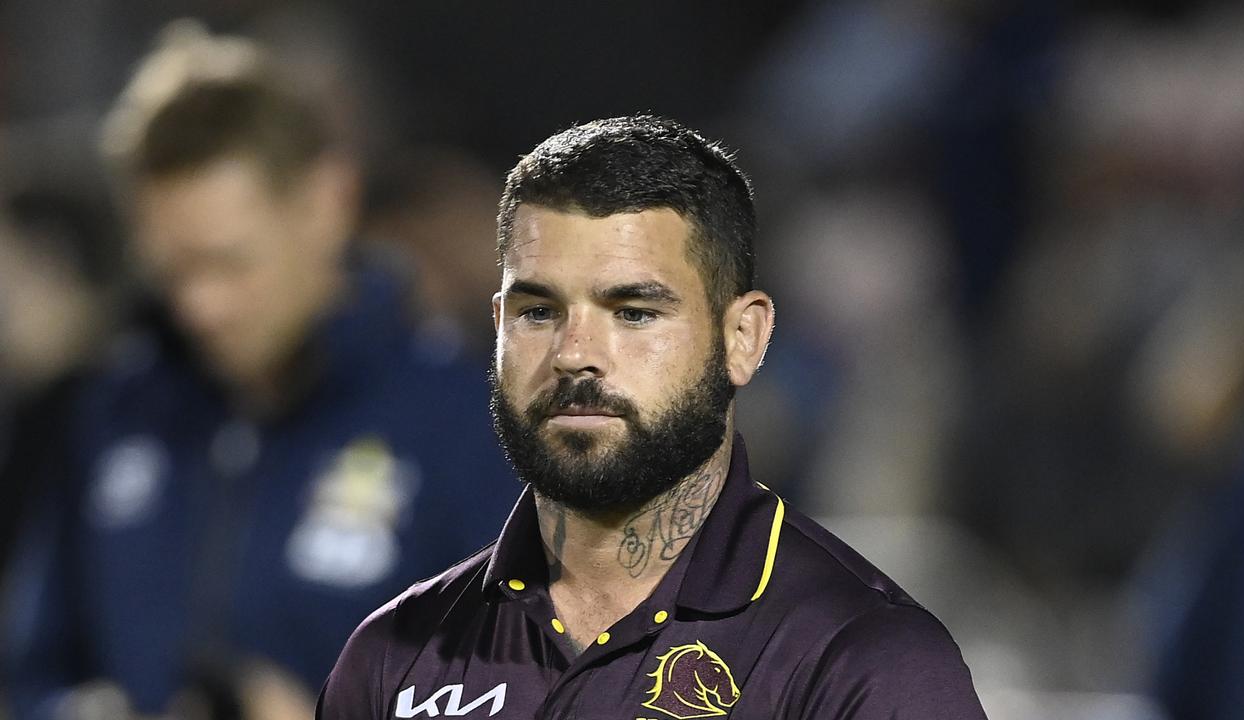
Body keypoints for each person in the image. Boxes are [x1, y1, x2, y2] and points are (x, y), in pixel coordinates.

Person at [318, 116, 987, 719]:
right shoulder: (394, 656)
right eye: (538, 311)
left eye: (634, 312)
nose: (575, 354)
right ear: (496, 327)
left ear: (743, 338)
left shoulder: (865, 665)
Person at [2, 25, 517, 720]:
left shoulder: (468, 423)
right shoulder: (118, 411)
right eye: (173, 270)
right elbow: (25, 670)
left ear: (326, 203)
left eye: (228, 263)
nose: (199, 305)